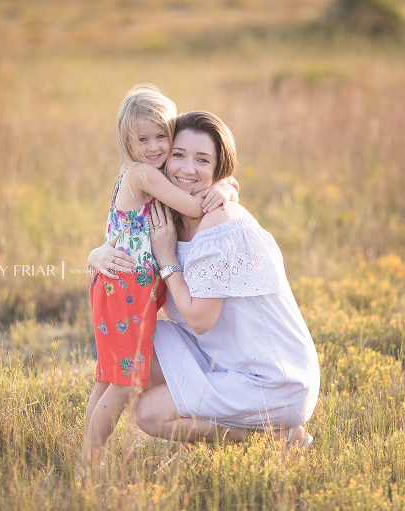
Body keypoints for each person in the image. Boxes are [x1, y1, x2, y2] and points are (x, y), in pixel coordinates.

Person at [90, 110, 320, 448]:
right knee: (137, 338)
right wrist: (94, 256)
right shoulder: (169, 213)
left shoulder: (218, 222)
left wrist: (168, 259)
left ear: (218, 170)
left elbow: (199, 319)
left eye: (202, 160)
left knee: (148, 413)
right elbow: (126, 237)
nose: (186, 169)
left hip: (275, 380)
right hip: (226, 361)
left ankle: (273, 437)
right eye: (179, 155)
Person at [79, 86, 239, 470]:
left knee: (107, 378)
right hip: (125, 292)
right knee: (122, 384)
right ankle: (88, 464)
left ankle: (85, 458)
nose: (153, 146)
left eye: (160, 136)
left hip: (126, 290)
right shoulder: (143, 174)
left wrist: (223, 186)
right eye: (141, 138)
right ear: (126, 141)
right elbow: (194, 205)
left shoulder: (149, 174)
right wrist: (225, 187)